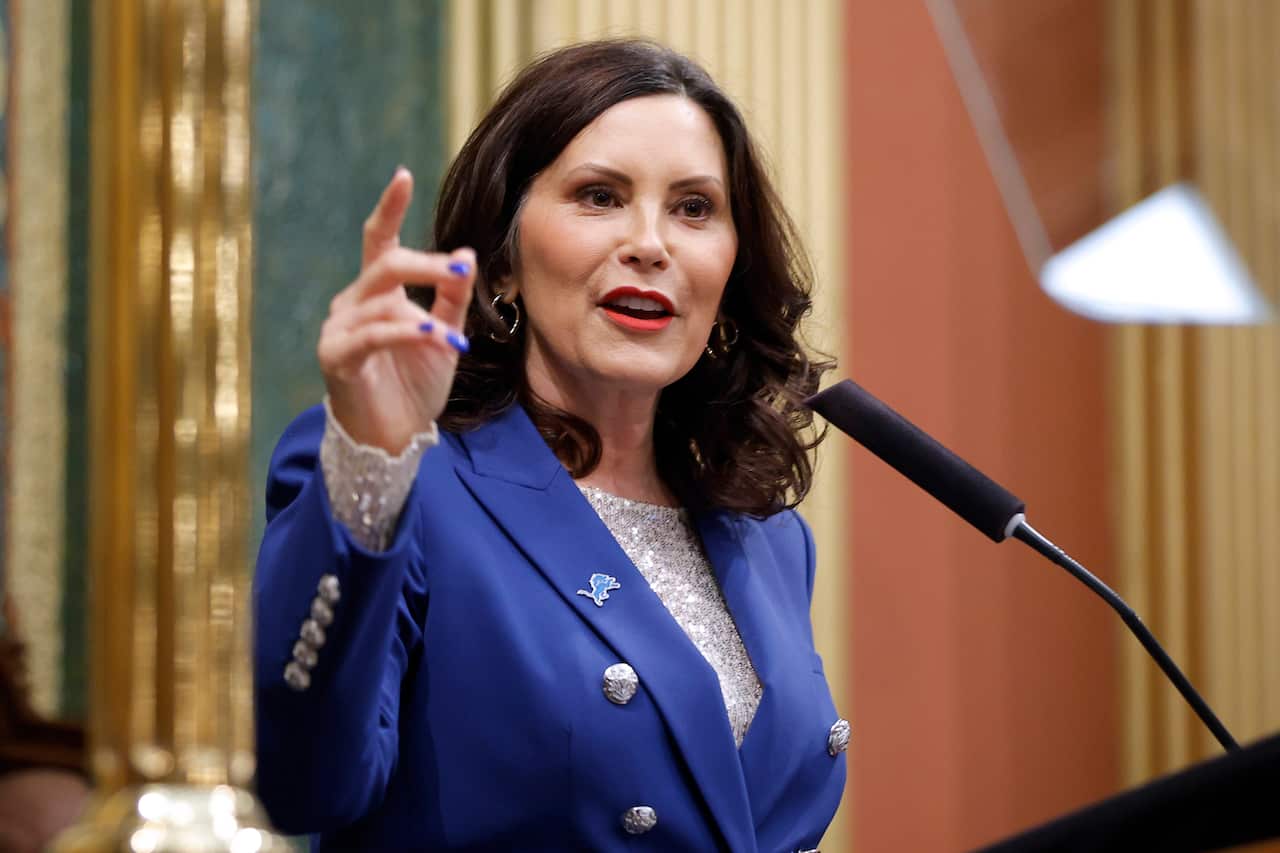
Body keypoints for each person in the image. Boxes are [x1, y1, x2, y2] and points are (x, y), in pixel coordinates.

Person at [253, 39, 846, 852]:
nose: (651, 243)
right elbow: (305, 781)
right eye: (600, 196)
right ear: (502, 258)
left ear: (732, 267)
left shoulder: (771, 539)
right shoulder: (400, 480)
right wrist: (367, 463)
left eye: (694, 207)